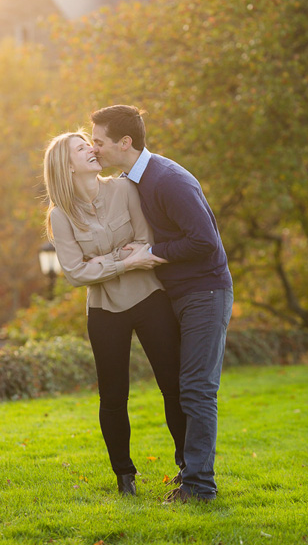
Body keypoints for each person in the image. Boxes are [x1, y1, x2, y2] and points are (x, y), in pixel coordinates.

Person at [90, 105, 233, 503]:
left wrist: (153, 251)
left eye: (98, 141)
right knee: (182, 387)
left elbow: (206, 242)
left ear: (124, 143)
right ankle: (191, 474)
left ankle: (200, 488)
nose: (94, 148)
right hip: (176, 292)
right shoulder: (131, 180)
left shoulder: (168, 179)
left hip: (205, 292)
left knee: (196, 389)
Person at [43, 131, 187, 496]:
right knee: (113, 396)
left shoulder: (125, 190)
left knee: (173, 386)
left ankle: (188, 466)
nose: (91, 150)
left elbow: (144, 242)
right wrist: (121, 260)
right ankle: (125, 477)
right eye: (80, 149)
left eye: (88, 145)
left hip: (150, 298)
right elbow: (75, 272)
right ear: (67, 166)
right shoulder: (60, 216)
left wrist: (103, 262)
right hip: (104, 310)